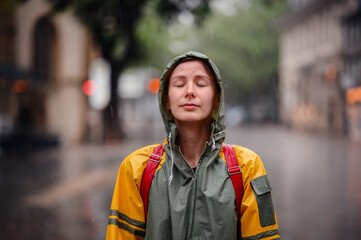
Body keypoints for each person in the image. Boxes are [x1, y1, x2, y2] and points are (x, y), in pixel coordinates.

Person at [106, 51, 280, 240]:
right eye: (180, 84)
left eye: (201, 84)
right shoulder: (136, 169)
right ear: (166, 100)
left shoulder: (247, 167)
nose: (189, 91)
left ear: (217, 99)